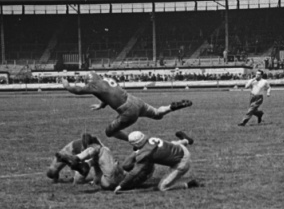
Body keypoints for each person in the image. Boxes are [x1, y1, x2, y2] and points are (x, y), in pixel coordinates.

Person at [59, 71, 192, 142]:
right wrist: (102, 105)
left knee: (109, 132)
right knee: (157, 114)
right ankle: (172, 106)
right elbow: (109, 94)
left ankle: (135, 142)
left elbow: (76, 90)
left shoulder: (94, 85)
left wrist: (66, 84)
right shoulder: (104, 80)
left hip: (127, 109)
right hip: (134, 99)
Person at [58, 133, 154, 190]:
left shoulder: (142, 155)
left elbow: (126, 166)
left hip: (117, 180)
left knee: (101, 150)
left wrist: (135, 153)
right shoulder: (149, 159)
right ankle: (84, 165)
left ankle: (78, 159)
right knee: (97, 158)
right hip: (109, 182)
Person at [114, 130, 199, 193]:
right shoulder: (151, 139)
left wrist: (121, 185)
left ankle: (189, 184)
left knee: (162, 187)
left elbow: (134, 172)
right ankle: (186, 141)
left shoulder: (144, 154)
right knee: (170, 144)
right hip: (180, 148)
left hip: (182, 161)